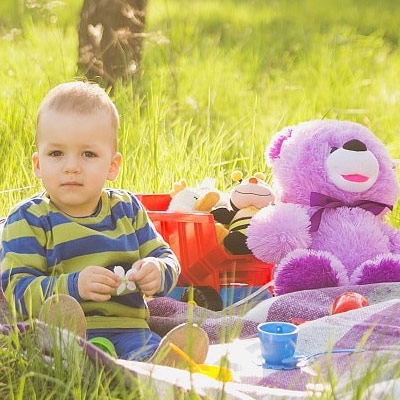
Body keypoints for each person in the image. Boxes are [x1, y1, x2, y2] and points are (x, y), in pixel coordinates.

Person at [0, 81, 209, 365]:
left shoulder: (127, 209)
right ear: (37, 164)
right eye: (56, 153)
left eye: (88, 154)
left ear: (112, 166)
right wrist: (74, 285)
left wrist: (157, 271)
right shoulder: (28, 219)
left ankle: (161, 369)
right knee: (58, 352)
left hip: (129, 329)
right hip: (62, 329)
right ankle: (78, 362)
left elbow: (165, 257)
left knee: (145, 353)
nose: (71, 166)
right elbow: (17, 290)